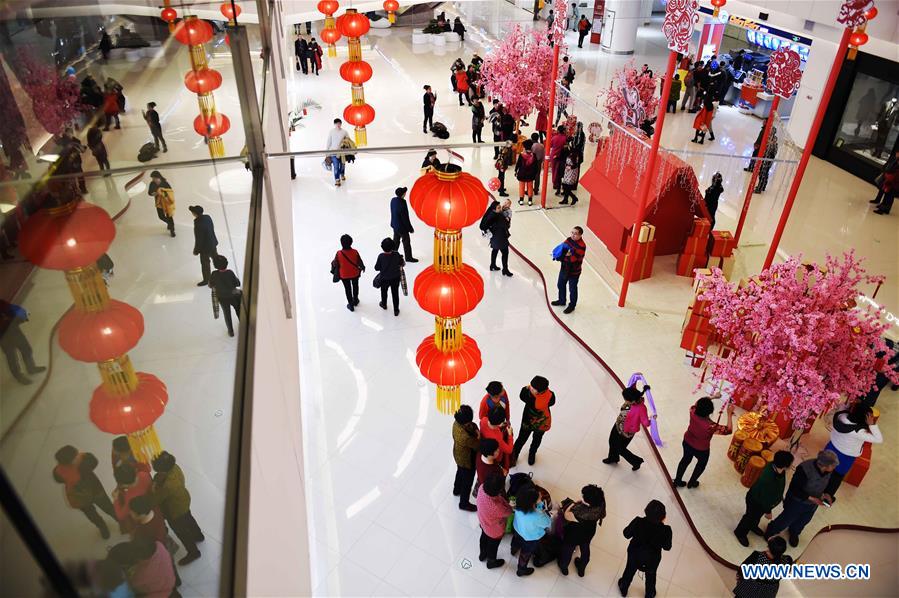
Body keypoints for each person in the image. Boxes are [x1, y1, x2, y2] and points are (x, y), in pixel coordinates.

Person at [765, 450, 838, 547]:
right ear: (825, 466)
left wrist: (828, 494)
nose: (834, 468)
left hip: (813, 503)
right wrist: (811, 498)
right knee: (786, 519)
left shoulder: (830, 471)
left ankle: (794, 532)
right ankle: (771, 530)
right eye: (833, 466)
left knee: (804, 520)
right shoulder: (804, 468)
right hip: (797, 501)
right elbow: (795, 488)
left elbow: (831, 483)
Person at [152, 451, 204, 566]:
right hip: (184, 500)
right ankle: (198, 535)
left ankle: (193, 552)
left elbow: (157, 498)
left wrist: (153, 487)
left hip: (175, 510)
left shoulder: (168, 485)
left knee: (181, 531)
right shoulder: (175, 467)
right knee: (189, 519)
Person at [734, 450, 795, 547]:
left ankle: (753, 526)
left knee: (756, 516)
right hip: (756, 501)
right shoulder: (767, 478)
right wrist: (768, 511)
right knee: (749, 517)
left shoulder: (778, 469)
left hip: (762, 501)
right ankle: (740, 533)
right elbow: (765, 498)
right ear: (785, 465)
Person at [52, 446, 116, 538]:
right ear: (69, 462)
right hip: (84, 496)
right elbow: (59, 479)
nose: (79, 455)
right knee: (95, 514)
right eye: (76, 456)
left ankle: (115, 522)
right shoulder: (62, 471)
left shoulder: (83, 459)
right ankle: (103, 526)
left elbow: (94, 461)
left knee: (105, 508)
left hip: (89, 494)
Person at [673, 397, 735, 488]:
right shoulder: (711, 426)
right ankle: (692, 482)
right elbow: (729, 430)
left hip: (687, 441)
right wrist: (729, 414)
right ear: (710, 412)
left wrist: (713, 396)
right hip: (701, 449)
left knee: (685, 460)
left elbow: (697, 402)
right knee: (701, 465)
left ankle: (677, 480)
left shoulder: (692, 411)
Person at [824, 402, 883, 496]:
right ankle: (828, 495)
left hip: (831, 447)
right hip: (846, 456)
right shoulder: (860, 431)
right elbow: (879, 439)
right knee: (837, 476)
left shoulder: (841, 416)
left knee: (823, 468)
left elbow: (841, 407)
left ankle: (817, 487)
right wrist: (872, 425)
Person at [618, 500, 672, 598]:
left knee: (629, 570)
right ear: (663, 517)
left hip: (634, 555)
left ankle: (624, 587)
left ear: (645, 511)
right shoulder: (666, 530)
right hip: (652, 560)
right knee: (651, 576)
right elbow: (667, 547)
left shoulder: (638, 522)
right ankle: (650, 594)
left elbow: (626, 534)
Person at [557, 484, 605, 577]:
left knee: (568, 549)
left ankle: (564, 566)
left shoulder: (577, 511)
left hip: (574, 533)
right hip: (589, 531)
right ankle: (581, 569)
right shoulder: (601, 504)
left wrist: (574, 503)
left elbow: (567, 515)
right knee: (585, 548)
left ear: (588, 503)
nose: (582, 496)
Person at [603, 384, 653, 470]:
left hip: (627, 432)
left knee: (621, 449)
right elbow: (632, 386)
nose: (625, 401)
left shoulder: (641, 408)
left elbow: (646, 423)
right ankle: (613, 458)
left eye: (626, 399)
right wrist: (636, 376)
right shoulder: (632, 397)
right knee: (612, 441)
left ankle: (636, 461)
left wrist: (653, 419)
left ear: (632, 400)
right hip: (618, 425)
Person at [109, 538, 177, 598]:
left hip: (161, 593)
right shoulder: (159, 545)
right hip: (170, 580)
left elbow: (132, 588)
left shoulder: (142, 576)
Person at [511, 375, 555, 466]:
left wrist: (526, 389)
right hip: (543, 422)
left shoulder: (528, 395)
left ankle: (514, 457)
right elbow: (552, 403)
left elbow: (521, 396)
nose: (530, 387)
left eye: (532, 387)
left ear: (540, 391)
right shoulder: (550, 394)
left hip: (527, 422)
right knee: (537, 439)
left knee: (521, 439)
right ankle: (532, 454)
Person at [0, 300, 46, 384]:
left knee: (26, 349)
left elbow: (9, 308)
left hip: (12, 329)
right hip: (3, 336)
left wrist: (18, 316)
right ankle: (19, 376)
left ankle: (31, 368)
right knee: (12, 357)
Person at [511, 485, 551, 576]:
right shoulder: (537, 515)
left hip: (517, 529)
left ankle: (513, 550)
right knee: (526, 553)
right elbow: (547, 523)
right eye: (538, 497)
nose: (540, 496)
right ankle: (521, 569)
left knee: (516, 541)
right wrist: (541, 506)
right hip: (530, 538)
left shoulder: (517, 503)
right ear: (532, 502)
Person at [476, 474, 512, 569]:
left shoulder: (481, 488)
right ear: (498, 491)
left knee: (483, 537)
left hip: (483, 522)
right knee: (493, 545)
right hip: (494, 531)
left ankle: (482, 554)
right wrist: (509, 504)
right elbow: (508, 512)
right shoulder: (497, 507)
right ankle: (491, 561)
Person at [551, 226, 586, 314]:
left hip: (574, 271)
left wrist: (564, 256)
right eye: (572, 233)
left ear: (580, 235)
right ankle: (562, 300)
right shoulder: (568, 240)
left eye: (576, 234)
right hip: (565, 268)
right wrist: (565, 255)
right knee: (560, 284)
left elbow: (573, 259)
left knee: (572, 289)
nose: (573, 235)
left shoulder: (582, 246)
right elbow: (562, 250)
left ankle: (572, 306)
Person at [452, 405, 480, 512]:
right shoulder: (465, 437)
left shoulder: (456, 423)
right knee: (467, 482)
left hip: (458, 455)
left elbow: (472, 425)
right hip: (466, 460)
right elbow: (477, 445)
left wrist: (475, 428)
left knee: (460, 472)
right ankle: (464, 503)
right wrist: (478, 436)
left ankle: (456, 489)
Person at [112, 463, 153, 535]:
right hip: (151, 508)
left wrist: (116, 499)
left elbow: (121, 515)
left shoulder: (130, 497)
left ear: (123, 484)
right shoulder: (144, 474)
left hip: (141, 515)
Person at [209, 255, 241, 336]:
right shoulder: (230, 272)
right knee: (238, 310)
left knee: (227, 314)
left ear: (215, 265)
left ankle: (231, 332)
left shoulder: (214, 274)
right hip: (233, 296)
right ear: (226, 263)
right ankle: (243, 324)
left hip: (222, 298)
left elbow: (210, 285)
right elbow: (237, 283)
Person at [189, 205, 218, 286]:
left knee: (205, 263)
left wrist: (196, 250)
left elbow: (199, 239)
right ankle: (221, 270)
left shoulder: (198, 224)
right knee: (216, 258)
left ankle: (206, 280)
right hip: (213, 242)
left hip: (205, 248)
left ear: (194, 213)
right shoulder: (208, 217)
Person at [334, 234, 365, 312]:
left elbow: (335, 264)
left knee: (347, 289)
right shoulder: (355, 252)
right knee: (355, 286)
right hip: (355, 273)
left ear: (341, 243)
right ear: (351, 243)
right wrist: (363, 267)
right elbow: (359, 261)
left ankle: (351, 305)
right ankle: (356, 300)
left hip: (344, 275)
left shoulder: (339, 253)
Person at [374, 238, 404, 316]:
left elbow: (376, 268)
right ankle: (396, 310)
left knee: (384, 292)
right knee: (395, 294)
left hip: (384, 278)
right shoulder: (397, 254)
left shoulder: (381, 256)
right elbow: (401, 263)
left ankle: (384, 304)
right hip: (395, 278)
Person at [483, 199, 513, 276]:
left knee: (495, 250)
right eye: (499, 208)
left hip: (494, 238)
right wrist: (508, 221)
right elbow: (506, 226)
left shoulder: (491, 215)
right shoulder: (499, 217)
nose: (500, 209)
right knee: (505, 252)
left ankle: (492, 265)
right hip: (500, 238)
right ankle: (505, 270)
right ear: (495, 209)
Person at [389, 186, 418, 262]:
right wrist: (410, 228)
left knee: (395, 241)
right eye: (405, 192)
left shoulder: (393, 200)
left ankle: (392, 256)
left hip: (395, 225)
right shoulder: (402, 203)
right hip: (402, 228)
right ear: (403, 194)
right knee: (406, 242)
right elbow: (405, 218)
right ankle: (408, 257)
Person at [147, 171, 175, 237]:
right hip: (158, 202)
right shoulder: (152, 184)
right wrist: (154, 193)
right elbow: (149, 192)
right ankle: (170, 223)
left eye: (154, 178)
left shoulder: (165, 183)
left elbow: (170, 191)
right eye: (152, 178)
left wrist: (162, 193)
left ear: (158, 177)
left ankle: (172, 230)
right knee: (161, 216)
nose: (153, 180)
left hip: (166, 202)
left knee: (169, 216)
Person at [326, 119, 351, 186]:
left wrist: (345, 141)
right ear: (334, 124)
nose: (338, 125)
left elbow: (349, 140)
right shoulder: (331, 131)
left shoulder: (344, 132)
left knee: (342, 165)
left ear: (341, 124)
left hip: (342, 153)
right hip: (333, 152)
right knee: (336, 166)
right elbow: (329, 142)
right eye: (337, 123)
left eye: (339, 123)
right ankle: (337, 180)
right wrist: (327, 152)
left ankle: (342, 174)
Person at [515, 139, 539, 207]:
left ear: (524, 147)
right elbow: (536, 166)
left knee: (521, 187)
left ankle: (521, 200)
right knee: (530, 187)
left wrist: (515, 171)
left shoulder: (522, 155)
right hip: (531, 174)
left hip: (522, 173)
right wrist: (535, 173)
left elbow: (518, 164)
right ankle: (530, 201)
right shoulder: (533, 155)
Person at [753, 130, 778, 194]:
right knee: (762, 173)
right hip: (764, 159)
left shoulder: (774, 142)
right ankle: (762, 186)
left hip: (768, 160)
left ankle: (759, 188)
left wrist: (771, 144)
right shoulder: (767, 139)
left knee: (763, 173)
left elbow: (774, 152)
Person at [560, 141, 582, 206]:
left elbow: (575, 166)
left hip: (571, 173)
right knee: (565, 186)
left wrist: (568, 166)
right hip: (567, 172)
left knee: (567, 188)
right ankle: (566, 199)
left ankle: (573, 197)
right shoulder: (571, 153)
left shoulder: (575, 156)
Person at [548, 125, 568, 195]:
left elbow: (550, 145)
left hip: (553, 156)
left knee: (554, 170)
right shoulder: (565, 138)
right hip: (561, 156)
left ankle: (555, 183)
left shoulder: (554, 137)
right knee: (559, 171)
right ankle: (559, 184)